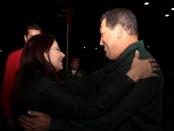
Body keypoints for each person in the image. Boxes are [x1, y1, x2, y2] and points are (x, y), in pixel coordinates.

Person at [19, 8, 163, 131]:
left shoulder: (142, 65)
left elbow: (108, 121)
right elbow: (90, 83)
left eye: (102, 34)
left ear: (119, 31)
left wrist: (54, 124)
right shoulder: (122, 63)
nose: (100, 42)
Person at [1, 23, 42, 129]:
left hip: (40, 112)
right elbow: (7, 87)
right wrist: (9, 116)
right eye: (31, 37)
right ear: (25, 38)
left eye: (37, 38)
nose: (34, 41)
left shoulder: (44, 57)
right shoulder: (14, 57)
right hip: (19, 112)